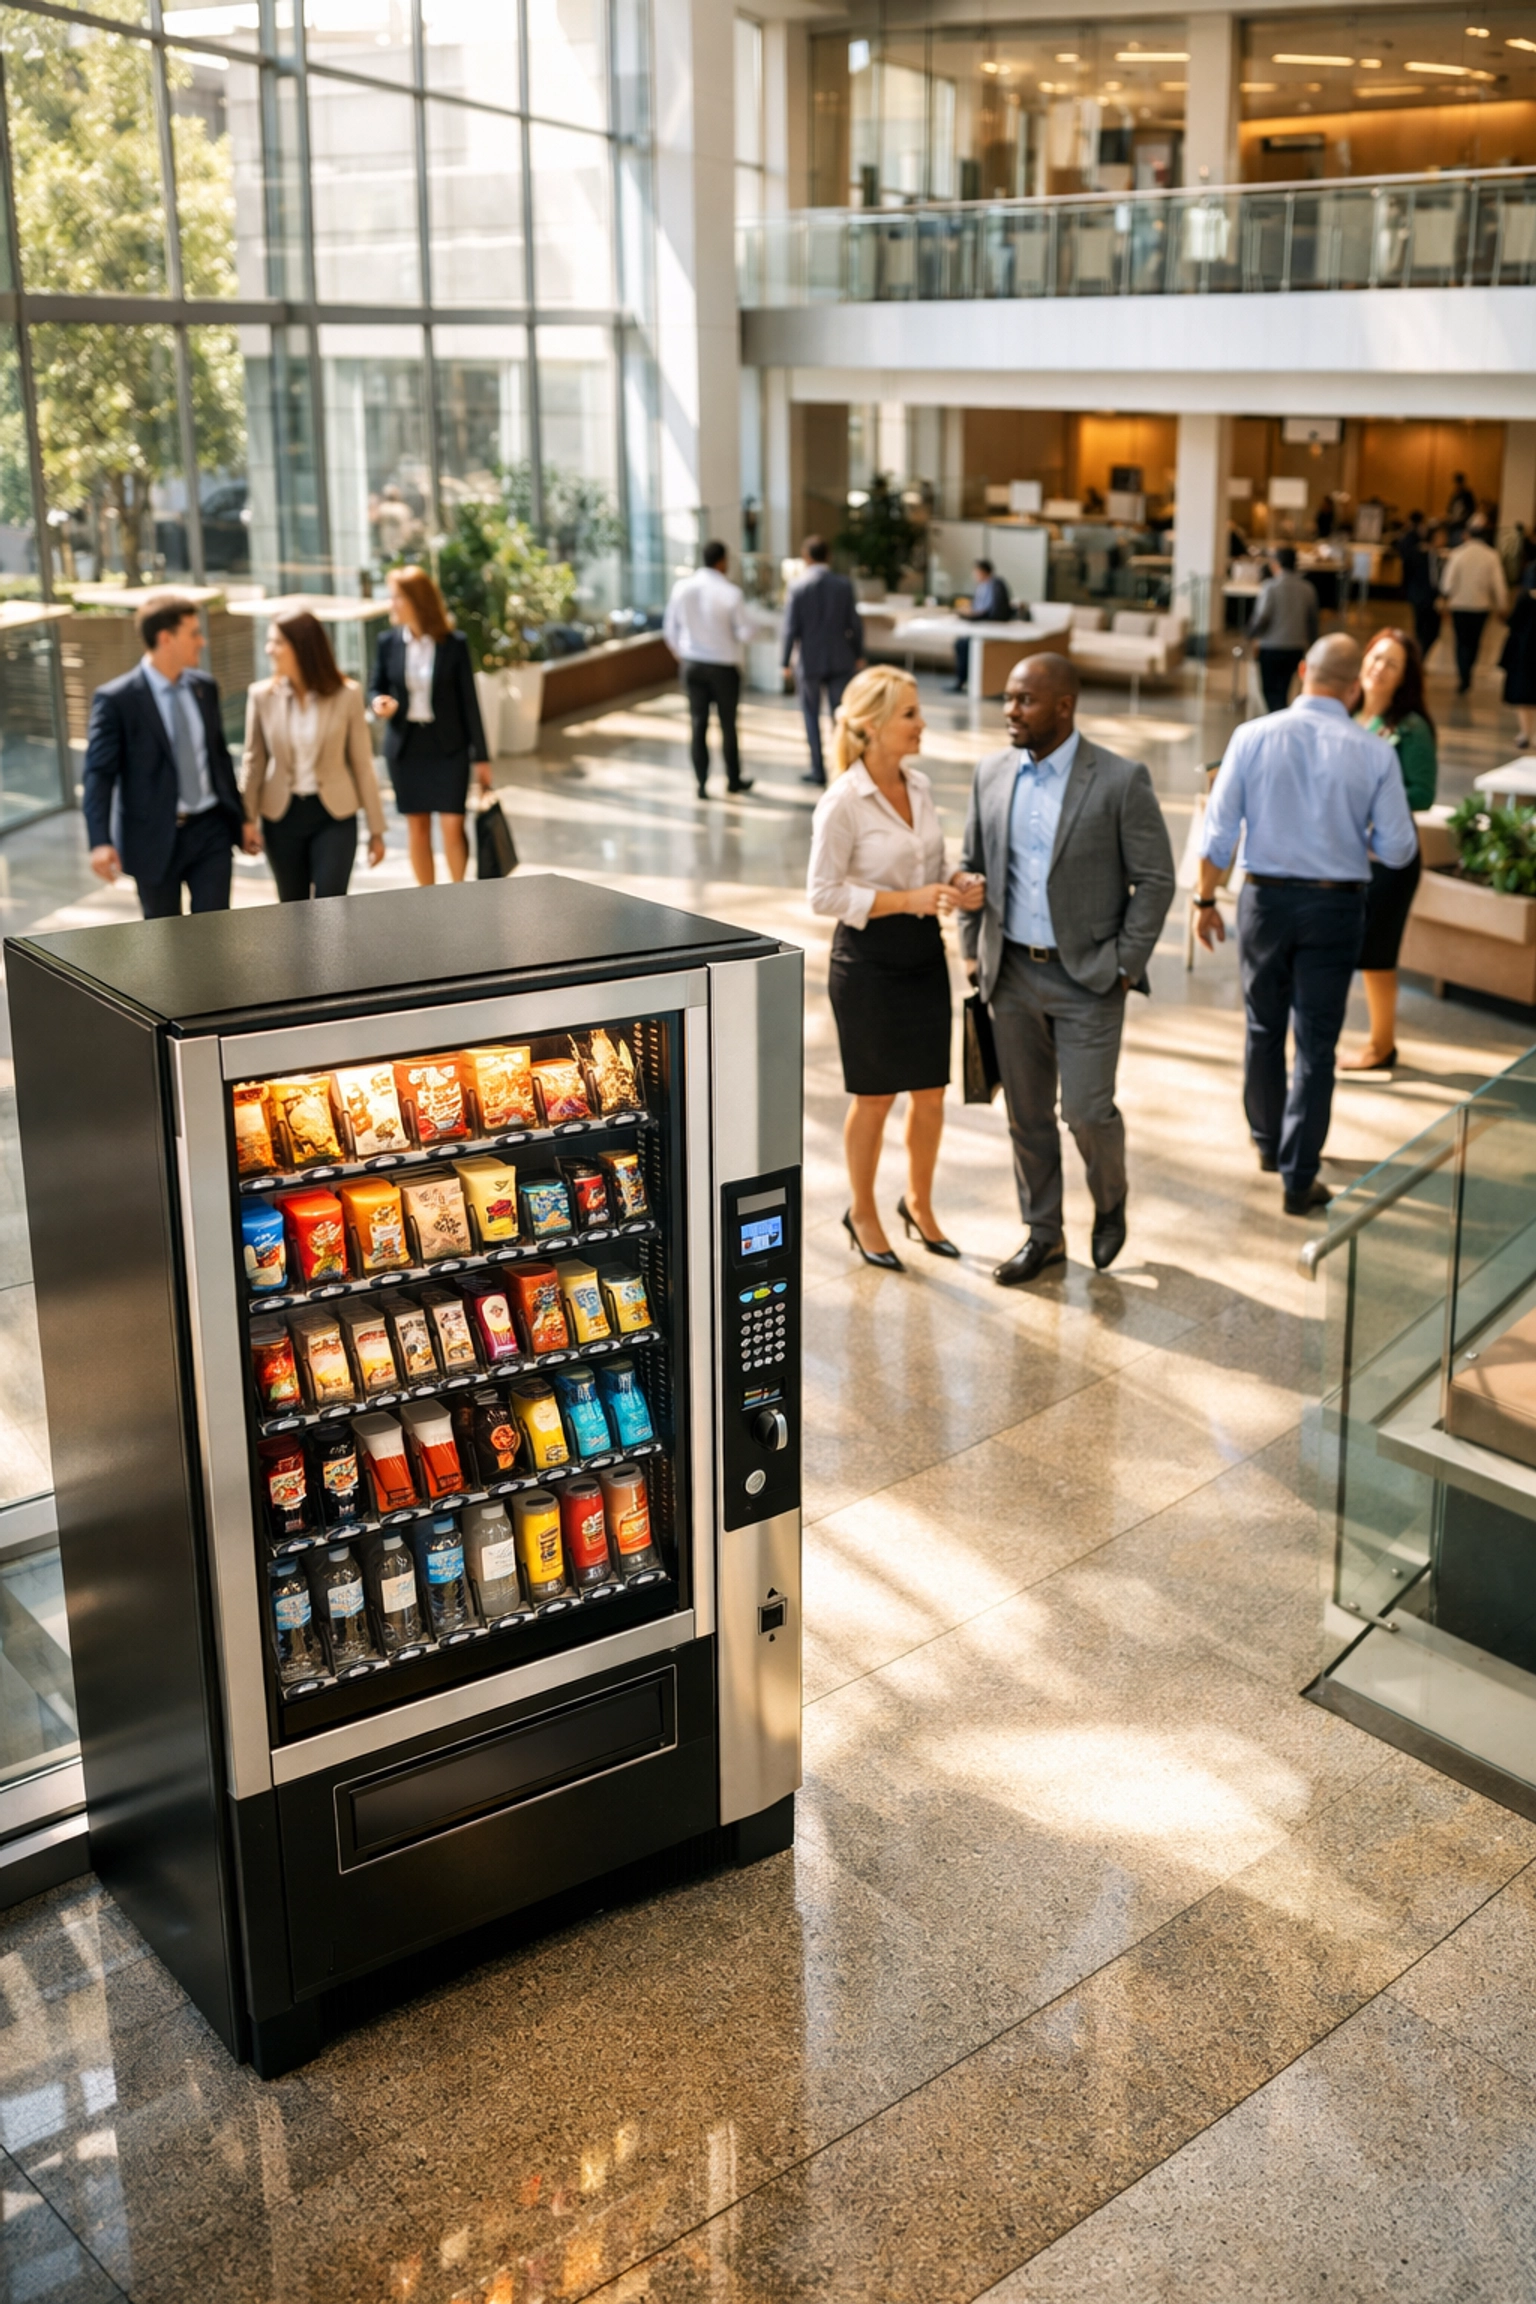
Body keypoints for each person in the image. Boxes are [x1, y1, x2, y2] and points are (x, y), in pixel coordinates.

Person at [957, 652, 1175, 1284]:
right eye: (1007, 699)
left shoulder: (1118, 779)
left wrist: (1125, 965)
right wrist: (973, 944)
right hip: (1010, 975)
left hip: (1089, 979)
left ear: (1063, 705)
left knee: (1085, 1110)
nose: (1010, 711)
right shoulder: (991, 774)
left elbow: (1156, 880)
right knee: (1026, 1115)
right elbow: (973, 863)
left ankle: (1110, 1201)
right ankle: (1044, 1234)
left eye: (1024, 700)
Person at [1195, 634, 1418, 1216]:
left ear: (1300, 672)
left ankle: (1268, 1144)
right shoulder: (1375, 753)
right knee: (1317, 1044)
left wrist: (1202, 901)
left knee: (1262, 1027)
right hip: (1336, 906)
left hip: (1264, 902)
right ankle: (1299, 1178)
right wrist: (1349, 836)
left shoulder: (1251, 736)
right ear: (1353, 689)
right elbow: (1398, 849)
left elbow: (1216, 836)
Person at [806, 667, 984, 1269]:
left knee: (931, 1094)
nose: (921, 722)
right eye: (909, 713)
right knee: (876, 1097)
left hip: (923, 954)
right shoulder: (842, 802)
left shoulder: (922, 785)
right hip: (868, 964)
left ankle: (920, 1204)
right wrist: (907, 900)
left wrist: (958, 882)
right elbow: (822, 894)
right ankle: (862, 1212)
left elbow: (932, 861)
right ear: (872, 725)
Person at [83, 592, 256, 920]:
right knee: (165, 941)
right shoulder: (117, 700)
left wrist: (243, 818)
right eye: (193, 633)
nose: (201, 642)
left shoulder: (205, 687)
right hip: (152, 838)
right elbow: (99, 774)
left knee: (214, 933)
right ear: (166, 638)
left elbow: (218, 758)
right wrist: (99, 840)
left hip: (211, 831)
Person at [1339, 628, 1437, 1073]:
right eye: (1375, 657)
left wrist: (1373, 791)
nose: (1379, 667)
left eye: (1391, 663)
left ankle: (1382, 1045)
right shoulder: (1347, 711)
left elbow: (1423, 793)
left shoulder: (1411, 728)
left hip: (1390, 859)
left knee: (1377, 954)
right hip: (1347, 851)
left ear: (1404, 678)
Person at [242, 608, 387, 901]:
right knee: (292, 906)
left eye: (278, 642)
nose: (270, 649)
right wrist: (247, 820)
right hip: (281, 818)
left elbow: (362, 764)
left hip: (333, 816)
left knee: (331, 905)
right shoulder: (261, 696)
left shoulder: (347, 694)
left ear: (303, 645)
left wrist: (376, 830)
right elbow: (253, 761)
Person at [370, 565, 491, 887]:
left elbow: (470, 704)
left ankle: (459, 895)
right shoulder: (387, 642)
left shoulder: (453, 643)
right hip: (406, 748)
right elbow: (375, 686)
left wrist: (482, 757)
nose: (390, 604)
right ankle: (428, 900)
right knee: (417, 827)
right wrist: (379, 703)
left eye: (395, 597)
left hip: (449, 747)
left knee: (453, 825)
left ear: (416, 600)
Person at [662, 540, 755, 797]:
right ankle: (733, 780)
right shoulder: (730, 593)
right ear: (722, 561)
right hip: (724, 667)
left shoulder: (682, 588)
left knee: (697, 723)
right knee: (728, 725)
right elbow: (746, 633)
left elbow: (670, 629)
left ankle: (701, 783)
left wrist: (683, 655)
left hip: (692, 664)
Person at [781, 537, 864, 787]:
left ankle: (817, 769)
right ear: (828, 556)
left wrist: (785, 661)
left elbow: (790, 628)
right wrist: (859, 653)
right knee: (840, 716)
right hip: (841, 658)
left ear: (806, 557)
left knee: (810, 714)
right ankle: (844, 766)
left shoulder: (797, 587)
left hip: (809, 661)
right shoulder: (843, 585)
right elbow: (854, 623)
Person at [1438, 519, 1509, 694]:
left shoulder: (1457, 554)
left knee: (1461, 641)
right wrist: (1502, 606)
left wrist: (1444, 602)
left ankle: (1463, 676)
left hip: (1459, 605)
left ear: (1466, 535)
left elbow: (1447, 583)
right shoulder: (1491, 555)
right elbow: (1499, 584)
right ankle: (1468, 670)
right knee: (1475, 641)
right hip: (1481, 606)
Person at [1247, 547, 1319, 714]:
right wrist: (1312, 646)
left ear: (1276, 564)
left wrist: (1249, 634)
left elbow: (1262, 618)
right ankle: (1281, 714)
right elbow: (1312, 622)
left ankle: (1277, 717)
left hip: (1271, 648)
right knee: (1285, 688)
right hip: (1296, 648)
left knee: (1270, 690)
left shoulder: (1270, 587)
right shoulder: (1307, 588)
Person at [946, 559, 1013, 692]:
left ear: (983, 571)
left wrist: (975, 614)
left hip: (991, 626)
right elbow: (978, 606)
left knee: (964, 644)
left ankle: (963, 681)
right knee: (960, 643)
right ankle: (963, 680)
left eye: (976, 572)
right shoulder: (982, 586)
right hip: (981, 623)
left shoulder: (996, 584)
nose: (974, 575)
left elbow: (993, 610)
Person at [1501, 559, 1536, 751]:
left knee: (1523, 697)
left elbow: (1513, 623)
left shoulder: (1524, 598)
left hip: (1524, 653)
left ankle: (1525, 733)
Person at [1397, 513, 1441, 665]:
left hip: (1431, 598)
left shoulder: (1438, 555)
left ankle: (1418, 660)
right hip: (1420, 597)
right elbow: (1407, 572)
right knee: (1421, 630)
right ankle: (1416, 661)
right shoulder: (1418, 553)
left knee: (1432, 632)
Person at [1446, 472, 1476, 542]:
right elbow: (1450, 508)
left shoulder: (1467, 494)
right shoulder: (1455, 493)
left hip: (1464, 520)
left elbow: (1472, 508)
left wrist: (1464, 517)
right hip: (1454, 519)